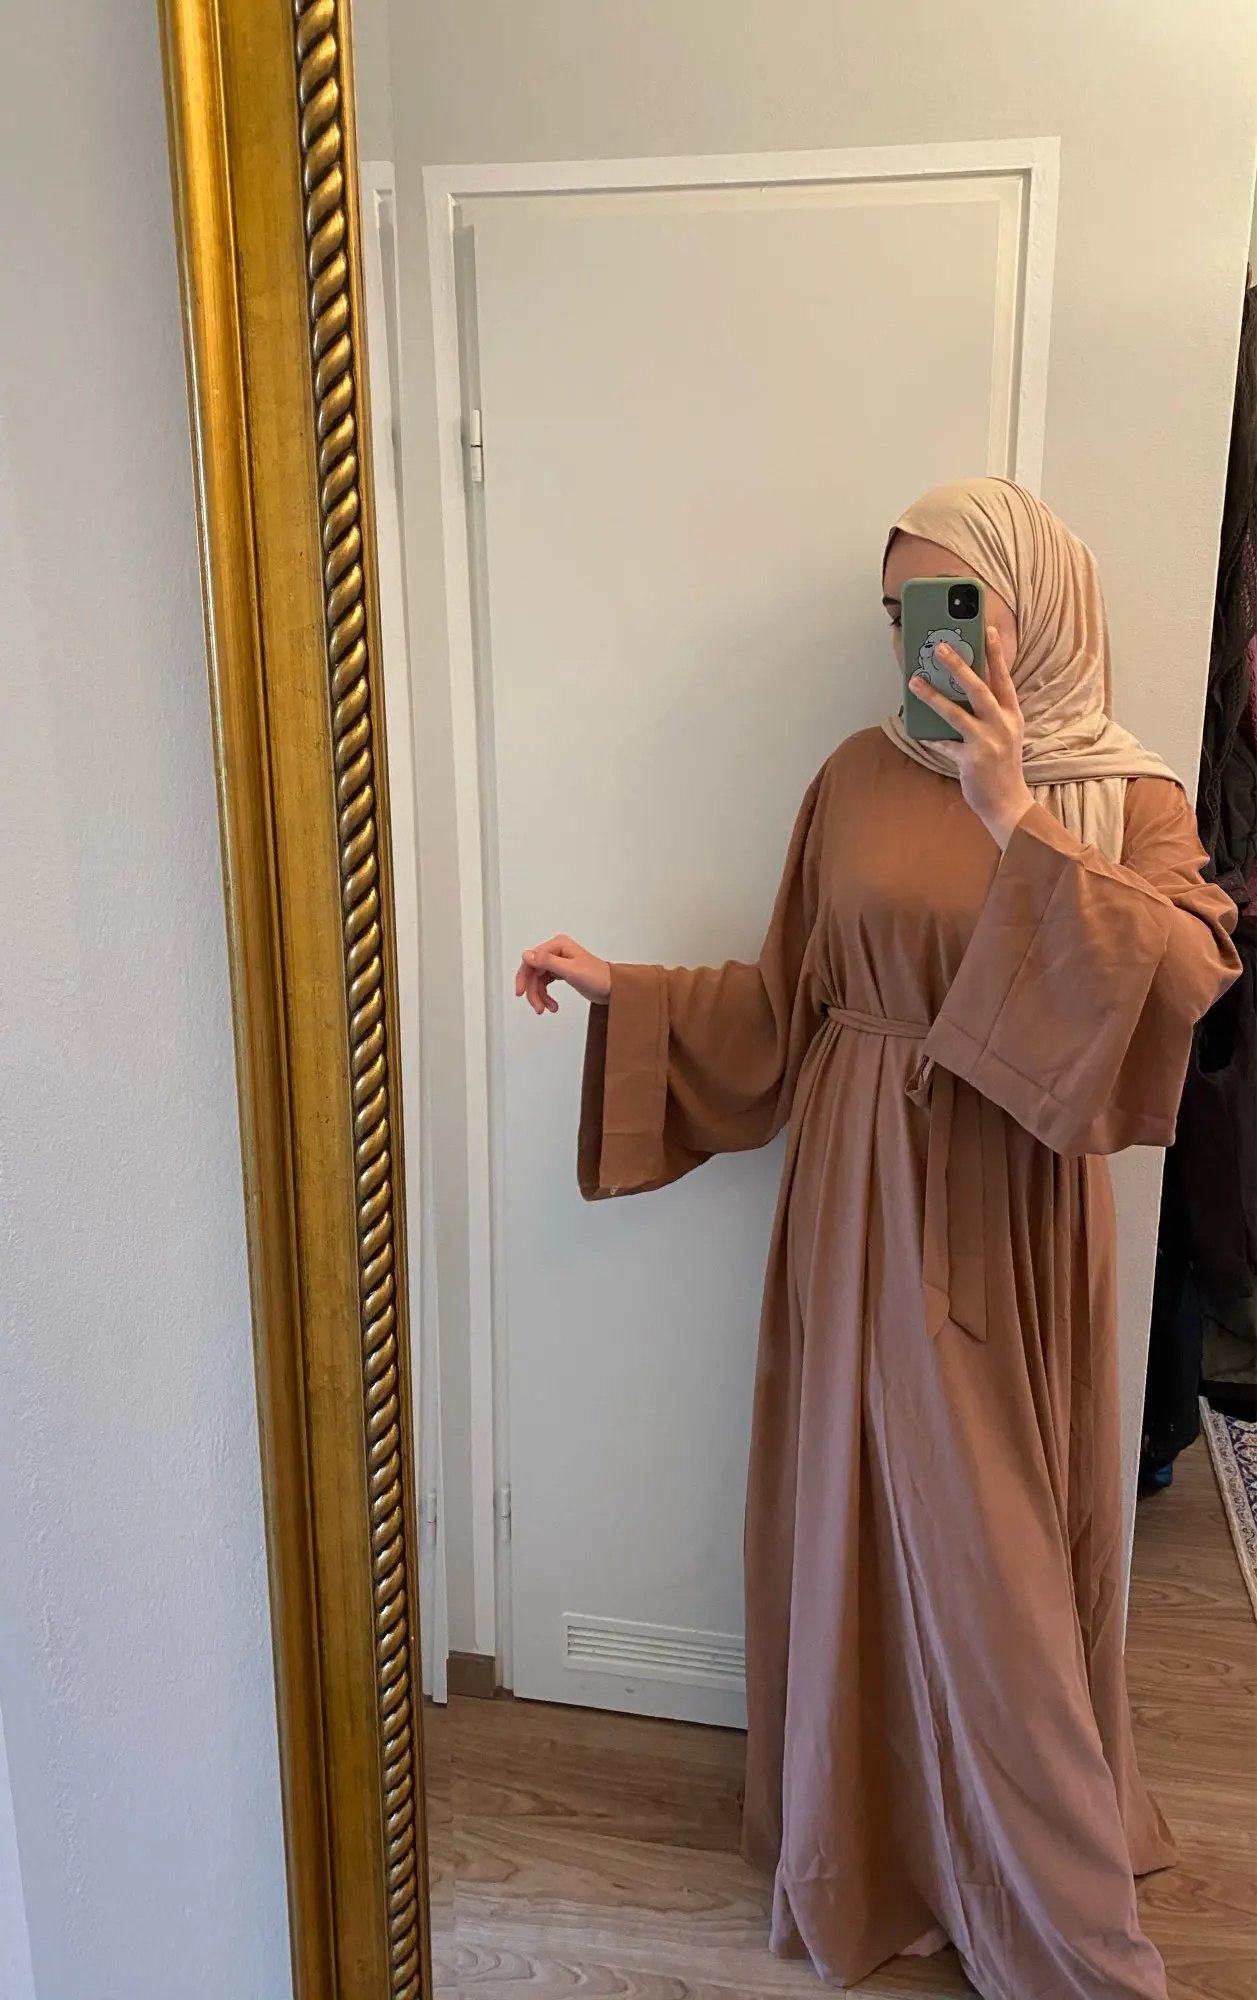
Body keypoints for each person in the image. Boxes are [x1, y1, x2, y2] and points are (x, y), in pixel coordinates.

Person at [515, 479, 1240, 2000]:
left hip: (1013, 1205)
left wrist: (1014, 811)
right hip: (856, 1188)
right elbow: (791, 1001)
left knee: (1000, 1557)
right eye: (902, 609)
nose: (924, 638)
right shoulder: (852, 775)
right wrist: (624, 989)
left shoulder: (1125, 795)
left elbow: (1184, 979)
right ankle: (879, 1848)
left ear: (1040, 610)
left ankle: (1055, 1913)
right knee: (856, 1514)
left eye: (958, 604)